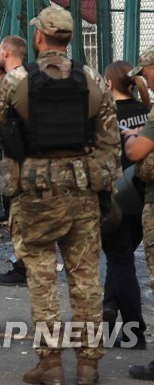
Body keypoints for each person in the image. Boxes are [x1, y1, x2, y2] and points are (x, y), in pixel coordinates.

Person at [0, 5, 120, 385]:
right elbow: (111, 146)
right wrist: (96, 181)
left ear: (40, 37)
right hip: (82, 194)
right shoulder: (93, 80)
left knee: (42, 278)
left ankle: (51, 364)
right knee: (86, 279)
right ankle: (89, 365)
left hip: (34, 195)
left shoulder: (15, 81)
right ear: (69, 38)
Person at [100, 60, 151, 349]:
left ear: (108, 84)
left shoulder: (106, 116)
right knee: (123, 258)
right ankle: (110, 305)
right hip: (142, 196)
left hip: (115, 197)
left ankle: (135, 333)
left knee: (121, 261)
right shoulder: (145, 112)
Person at [119, 47, 154, 380]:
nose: (144, 79)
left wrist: (132, 139)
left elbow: (137, 150)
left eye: (146, 72)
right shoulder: (148, 107)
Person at [0, 34, 32, 287]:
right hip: (31, 156)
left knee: (16, 211)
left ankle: (23, 267)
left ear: (7, 53)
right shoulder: (31, 79)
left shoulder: (12, 81)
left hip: (15, 158)